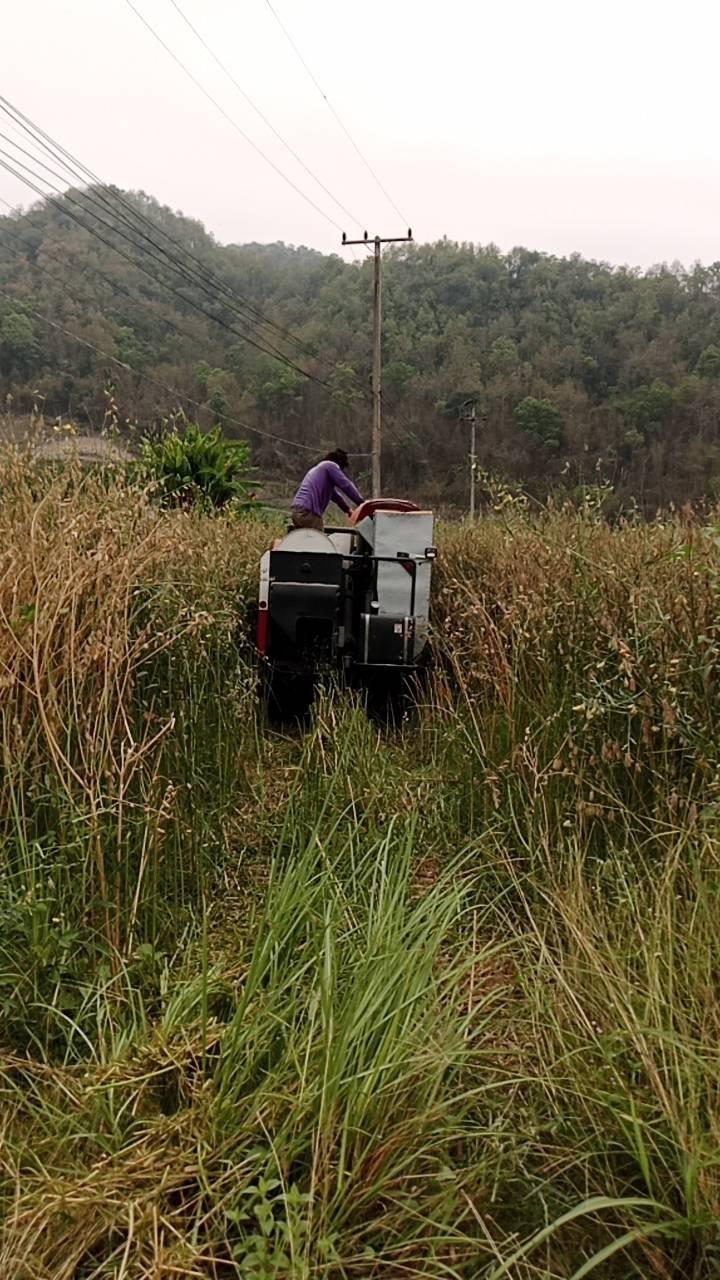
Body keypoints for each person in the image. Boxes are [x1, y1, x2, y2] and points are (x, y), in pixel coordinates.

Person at [291, 449, 364, 530]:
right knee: (320, 540)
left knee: (305, 540)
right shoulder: (330, 465)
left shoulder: (319, 470)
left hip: (297, 510)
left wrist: (347, 510)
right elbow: (346, 485)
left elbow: (336, 496)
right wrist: (361, 502)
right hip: (309, 512)